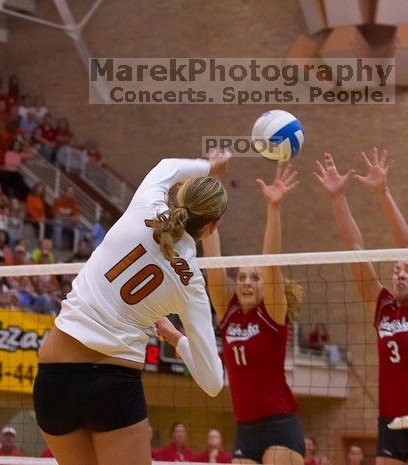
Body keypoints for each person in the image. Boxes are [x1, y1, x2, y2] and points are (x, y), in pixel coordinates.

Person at [33, 152, 230, 465]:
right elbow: (212, 382)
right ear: (212, 228)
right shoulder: (191, 285)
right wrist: (174, 336)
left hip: (53, 380)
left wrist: (209, 166)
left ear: (179, 194)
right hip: (111, 387)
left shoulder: (146, 204)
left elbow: (168, 165)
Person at [316, 149, 408, 465]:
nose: (399, 271)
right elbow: (354, 248)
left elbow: (406, 244)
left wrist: (382, 192)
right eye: (395, 268)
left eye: (406, 269)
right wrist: (337, 199)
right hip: (389, 423)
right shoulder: (382, 306)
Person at [202, 162, 304, 465]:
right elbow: (213, 259)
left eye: (253, 278)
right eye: (242, 276)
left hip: (280, 426)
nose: (246, 281)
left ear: (264, 286)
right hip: (244, 429)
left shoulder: (271, 314)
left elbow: (271, 263)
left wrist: (274, 208)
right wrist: (212, 185)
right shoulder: (229, 311)